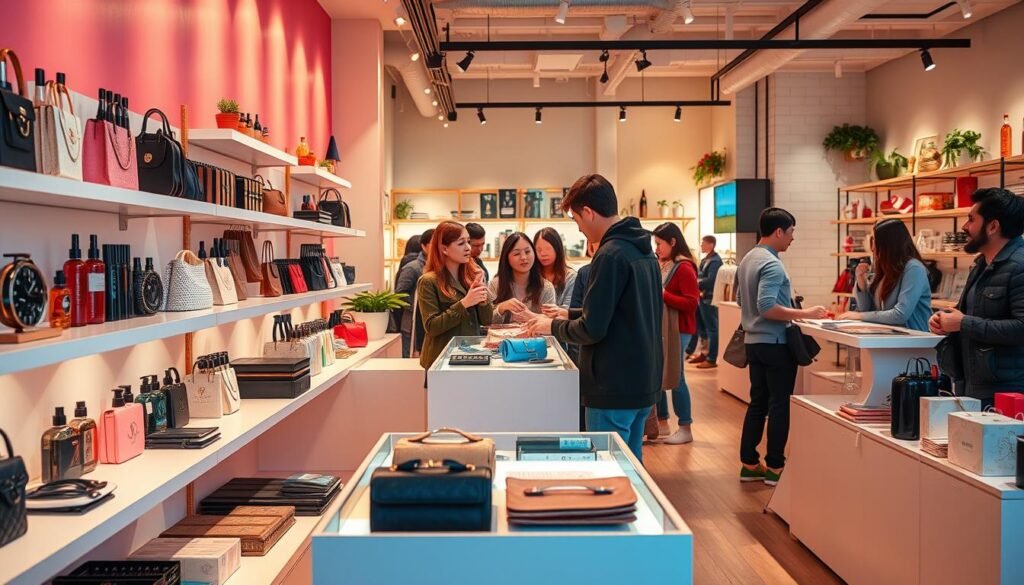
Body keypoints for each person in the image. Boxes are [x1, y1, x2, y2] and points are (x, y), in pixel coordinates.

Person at [527, 174, 663, 462]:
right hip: (642, 379)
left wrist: (551, 325)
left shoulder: (609, 254)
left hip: (612, 384)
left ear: (588, 212)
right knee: (631, 469)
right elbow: (626, 310)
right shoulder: (641, 249)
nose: (579, 229)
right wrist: (569, 313)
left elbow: (593, 328)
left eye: (576, 219)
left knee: (608, 471)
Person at [737, 208, 827, 486]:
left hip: (753, 343)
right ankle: (775, 466)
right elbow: (766, 307)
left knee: (758, 403)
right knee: (778, 406)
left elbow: (743, 300)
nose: (792, 238)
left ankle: (749, 464)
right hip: (775, 344)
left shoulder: (748, 259)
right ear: (778, 231)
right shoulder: (773, 264)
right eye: (791, 232)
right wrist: (805, 313)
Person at [930, 188, 1024, 406]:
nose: (964, 227)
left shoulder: (1019, 266)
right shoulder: (982, 264)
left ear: (993, 226)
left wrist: (963, 323)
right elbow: (974, 310)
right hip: (973, 386)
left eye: (971, 219)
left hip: (1007, 395)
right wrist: (944, 319)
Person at [416, 221, 494, 370]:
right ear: (444, 248)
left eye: (468, 242)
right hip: (442, 361)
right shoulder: (428, 281)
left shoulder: (470, 277)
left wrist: (481, 293)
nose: (468, 248)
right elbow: (432, 326)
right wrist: (464, 303)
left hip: (472, 355)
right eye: (461, 243)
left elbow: (487, 320)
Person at [651, 222, 700, 445]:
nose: (657, 248)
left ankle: (685, 426)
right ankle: (662, 423)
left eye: (659, 244)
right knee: (660, 375)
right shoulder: (666, 264)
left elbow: (691, 303)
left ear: (672, 242)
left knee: (677, 377)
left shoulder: (684, 268)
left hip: (679, 329)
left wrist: (663, 295)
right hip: (665, 329)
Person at [838, 219, 932, 332]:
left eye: (875, 242)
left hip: (914, 340)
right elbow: (866, 309)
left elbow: (900, 314)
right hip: (888, 338)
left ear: (889, 244)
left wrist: (860, 316)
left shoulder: (914, 269)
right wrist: (861, 282)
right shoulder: (886, 268)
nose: (873, 248)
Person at [488, 232, 555, 323]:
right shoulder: (496, 284)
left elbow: (551, 322)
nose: (523, 257)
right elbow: (486, 321)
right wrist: (501, 307)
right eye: (516, 254)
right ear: (506, 258)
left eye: (527, 252)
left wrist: (530, 316)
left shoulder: (545, 287)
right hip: (502, 337)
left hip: (534, 337)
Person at [395, 228, 433, 358]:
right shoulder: (413, 267)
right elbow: (399, 295)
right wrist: (419, 305)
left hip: (427, 323)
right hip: (412, 325)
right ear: (424, 246)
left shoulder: (436, 268)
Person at [689, 235, 723, 368]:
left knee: (712, 328)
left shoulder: (714, 261)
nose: (701, 245)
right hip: (701, 297)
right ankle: (704, 352)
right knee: (702, 327)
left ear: (711, 245)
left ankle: (711, 358)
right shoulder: (706, 259)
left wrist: (695, 283)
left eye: (703, 243)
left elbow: (711, 280)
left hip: (708, 298)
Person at [534, 227, 578, 308]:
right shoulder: (532, 274)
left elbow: (568, 309)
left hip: (559, 320)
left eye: (548, 249)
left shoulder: (570, 277)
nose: (543, 253)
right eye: (538, 250)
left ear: (557, 248)